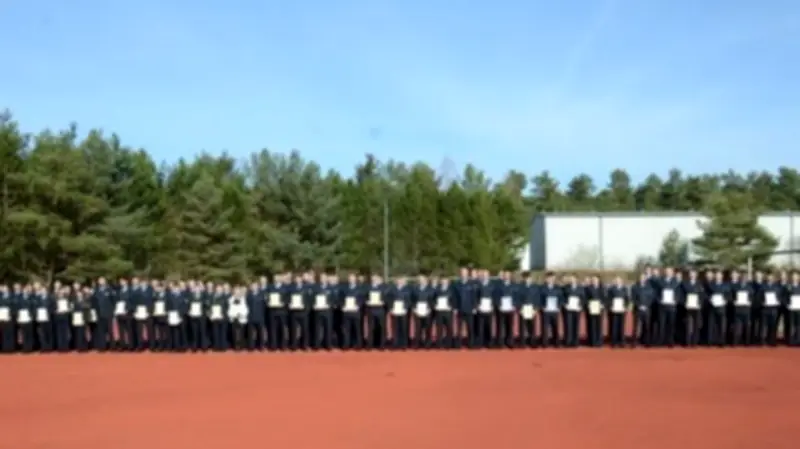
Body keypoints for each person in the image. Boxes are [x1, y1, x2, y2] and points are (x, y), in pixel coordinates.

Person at [681, 269, 704, 347]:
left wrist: (700, 303)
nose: (692, 275)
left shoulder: (700, 284)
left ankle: (695, 342)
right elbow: (682, 295)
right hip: (688, 307)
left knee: (696, 325)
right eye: (691, 274)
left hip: (697, 307)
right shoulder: (684, 283)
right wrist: (685, 303)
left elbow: (702, 296)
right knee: (688, 325)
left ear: (696, 275)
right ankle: (687, 342)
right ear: (689, 275)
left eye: (694, 274)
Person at [340, 273, 363, 350]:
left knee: (357, 329)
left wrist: (358, 305)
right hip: (347, 312)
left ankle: (358, 345)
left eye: (353, 278)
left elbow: (362, 299)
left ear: (355, 279)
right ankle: (346, 345)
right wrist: (342, 306)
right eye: (350, 278)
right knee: (346, 329)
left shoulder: (359, 288)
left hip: (356, 312)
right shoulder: (344, 288)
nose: (351, 279)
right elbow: (341, 299)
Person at [365, 274, 388, 350]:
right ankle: (370, 345)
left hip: (380, 310)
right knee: (370, 328)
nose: (374, 280)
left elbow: (387, 298)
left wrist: (383, 302)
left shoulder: (384, 287)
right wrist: (367, 302)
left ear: (380, 279)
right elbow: (364, 297)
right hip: (371, 310)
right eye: (373, 278)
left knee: (382, 328)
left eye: (376, 278)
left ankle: (382, 345)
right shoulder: (368, 287)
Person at [433, 275, 456, 349]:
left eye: (445, 280)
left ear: (448, 281)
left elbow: (454, 299)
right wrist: (435, 305)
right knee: (439, 328)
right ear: (440, 281)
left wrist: (451, 306)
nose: (444, 282)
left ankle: (448, 344)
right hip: (439, 311)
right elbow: (433, 299)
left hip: (448, 311)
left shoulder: (452, 289)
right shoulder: (437, 289)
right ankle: (439, 344)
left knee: (449, 328)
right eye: (442, 280)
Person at [496, 271, 517, 348]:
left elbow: (516, 296)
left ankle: (509, 342)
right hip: (501, 308)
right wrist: (498, 305)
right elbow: (496, 296)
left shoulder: (514, 285)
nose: (506, 277)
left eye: (508, 275)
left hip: (510, 309)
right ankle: (500, 343)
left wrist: (514, 305)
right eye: (505, 275)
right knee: (500, 326)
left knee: (510, 325)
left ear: (510, 276)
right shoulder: (498, 285)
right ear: (503, 276)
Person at [606, 275, 628, 348]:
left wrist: (625, 307)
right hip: (614, 310)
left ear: (621, 281)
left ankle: (621, 341)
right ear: (615, 282)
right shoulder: (611, 289)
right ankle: (614, 342)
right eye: (616, 281)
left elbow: (627, 299)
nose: (618, 282)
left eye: (619, 281)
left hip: (622, 310)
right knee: (614, 326)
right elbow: (608, 299)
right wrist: (611, 306)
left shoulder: (625, 289)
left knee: (621, 326)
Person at [413, 275, 434, 349]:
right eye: (420, 280)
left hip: (427, 311)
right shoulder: (415, 289)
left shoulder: (431, 289)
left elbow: (433, 300)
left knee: (427, 327)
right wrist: (414, 308)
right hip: (417, 311)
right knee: (418, 328)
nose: (421, 281)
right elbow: (412, 299)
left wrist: (430, 308)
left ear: (426, 281)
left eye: (423, 280)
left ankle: (427, 343)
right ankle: (417, 343)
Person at [390, 275, 411, 350]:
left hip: (403, 311)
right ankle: (395, 343)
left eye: (401, 280)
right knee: (395, 328)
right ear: (396, 281)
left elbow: (409, 300)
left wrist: (406, 308)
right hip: (395, 311)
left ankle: (404, 344)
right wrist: (391, 308)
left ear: (404, 281)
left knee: (404, 327)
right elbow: (389, 299)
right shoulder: (392, 289)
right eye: (398, 280)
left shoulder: (407, 289)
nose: (400, 281)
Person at [562, 275, 584, 348]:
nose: (572, 280)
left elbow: (583, 298)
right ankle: (568, 342)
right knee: (568, 325)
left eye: (573, 278)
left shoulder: (580, 288)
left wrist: (580, 305)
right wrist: (565, 305)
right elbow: (563, 297)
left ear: (576, 279)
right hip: (569, 309)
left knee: (576, 325)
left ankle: (576, 342)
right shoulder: (566, 287)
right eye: (570, 279)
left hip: (577, 309)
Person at [584, 275, 605, 347]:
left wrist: (602, 304)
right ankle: (592, 342)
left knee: (599, 325)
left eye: (596, 279)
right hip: (592, 308)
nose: (594, 281)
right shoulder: (588, 288)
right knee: (592, 325)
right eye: (593, 279)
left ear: (598, 280)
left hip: (599, 308)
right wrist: (588, 304)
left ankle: (599, 341)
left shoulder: (602, 288)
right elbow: (585, 298)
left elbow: (605, 297)